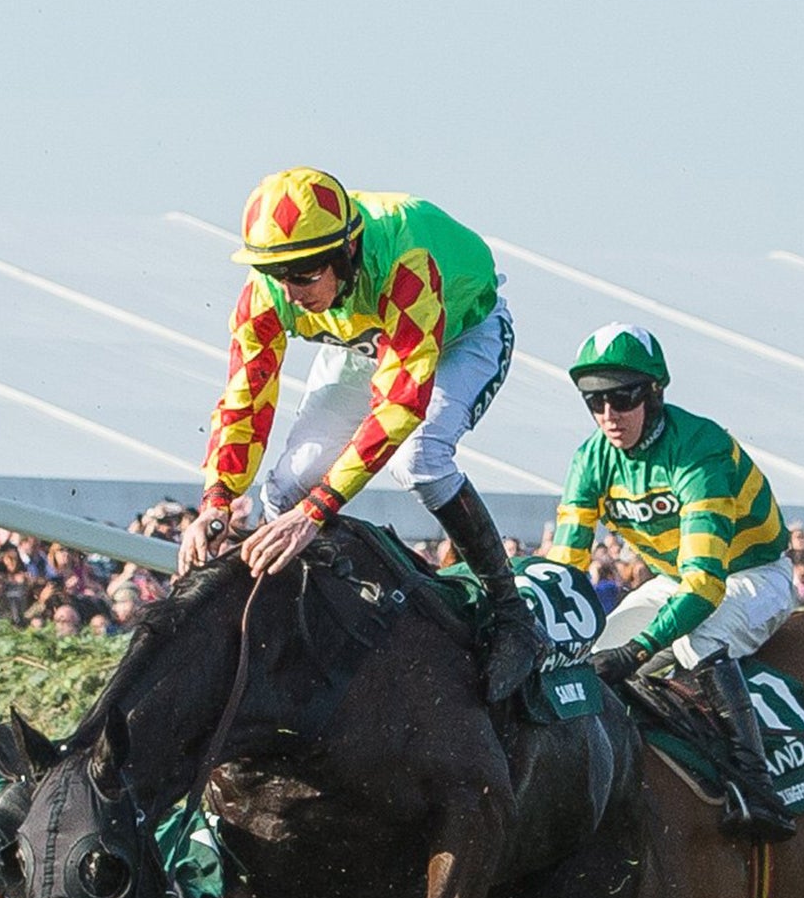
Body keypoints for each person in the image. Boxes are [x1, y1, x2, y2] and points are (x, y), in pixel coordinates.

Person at [176, 166, 546, 700]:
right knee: (286, 485)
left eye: (302, 274)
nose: (288, 290)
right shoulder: (268, 294)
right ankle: (309, 622)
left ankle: (511, 613)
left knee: (420, 459)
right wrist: (216, 500)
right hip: (366, 341)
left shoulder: (404, 260)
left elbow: (400, 405)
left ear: (348, 249)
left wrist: (316, 513)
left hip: (460, 335)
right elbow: (245, 397)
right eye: (273, 272)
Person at [547, 324, 798, 841]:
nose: (609, 416)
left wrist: (639, 652)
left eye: (622, 397)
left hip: (751, 574)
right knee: (590, 654)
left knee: (696, 642)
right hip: (674, 578)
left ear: (655, 391)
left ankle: (758, 786)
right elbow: (566, 566)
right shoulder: (589, 459)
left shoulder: (700, 447)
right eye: (594, 402)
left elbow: (707, 585)